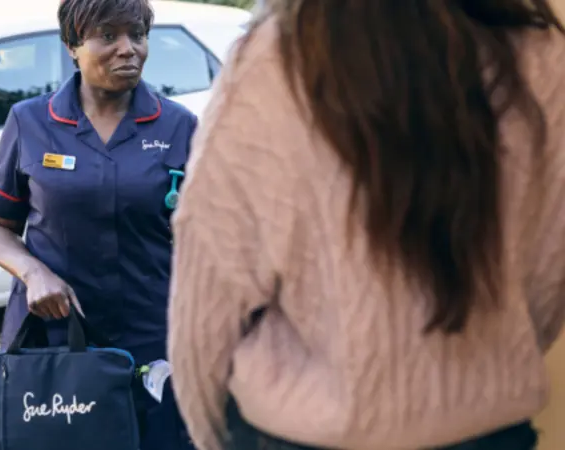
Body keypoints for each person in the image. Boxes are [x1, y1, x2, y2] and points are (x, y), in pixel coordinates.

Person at [167, 1, 565, 449]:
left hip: (295, 433)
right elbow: (547, 283)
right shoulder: (543, 58)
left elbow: (206, 314)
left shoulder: (272, 66)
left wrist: (214, 440)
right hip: (486, 433)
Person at [0, 0, 197, 448]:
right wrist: (34, 272)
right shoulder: (30, 122)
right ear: (72, 46)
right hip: (55, 334)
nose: (127, 49)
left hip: (152, 333)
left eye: (136, 34)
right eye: (108, 36)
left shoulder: (179, 126)